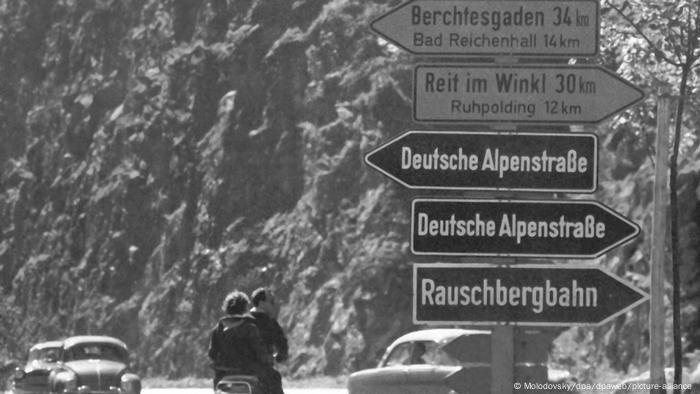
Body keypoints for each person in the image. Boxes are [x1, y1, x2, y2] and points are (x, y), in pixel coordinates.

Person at [208, 290, 273, 391]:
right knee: (273, 379)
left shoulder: (218, 329)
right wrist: (269, 359)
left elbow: (212, 354)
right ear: (246, 308)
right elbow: (261, 353)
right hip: (249, 374)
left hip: (223, 376)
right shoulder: (250, 328)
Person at [250, 287, 288, 394]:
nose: (274, 305)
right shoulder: (270, 323)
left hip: (234, 372)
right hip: (261, 373)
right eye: (271, 301)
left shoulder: (242, 320)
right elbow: (282, 345)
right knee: (275, 377)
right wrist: (280, 356)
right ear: (261, 303)